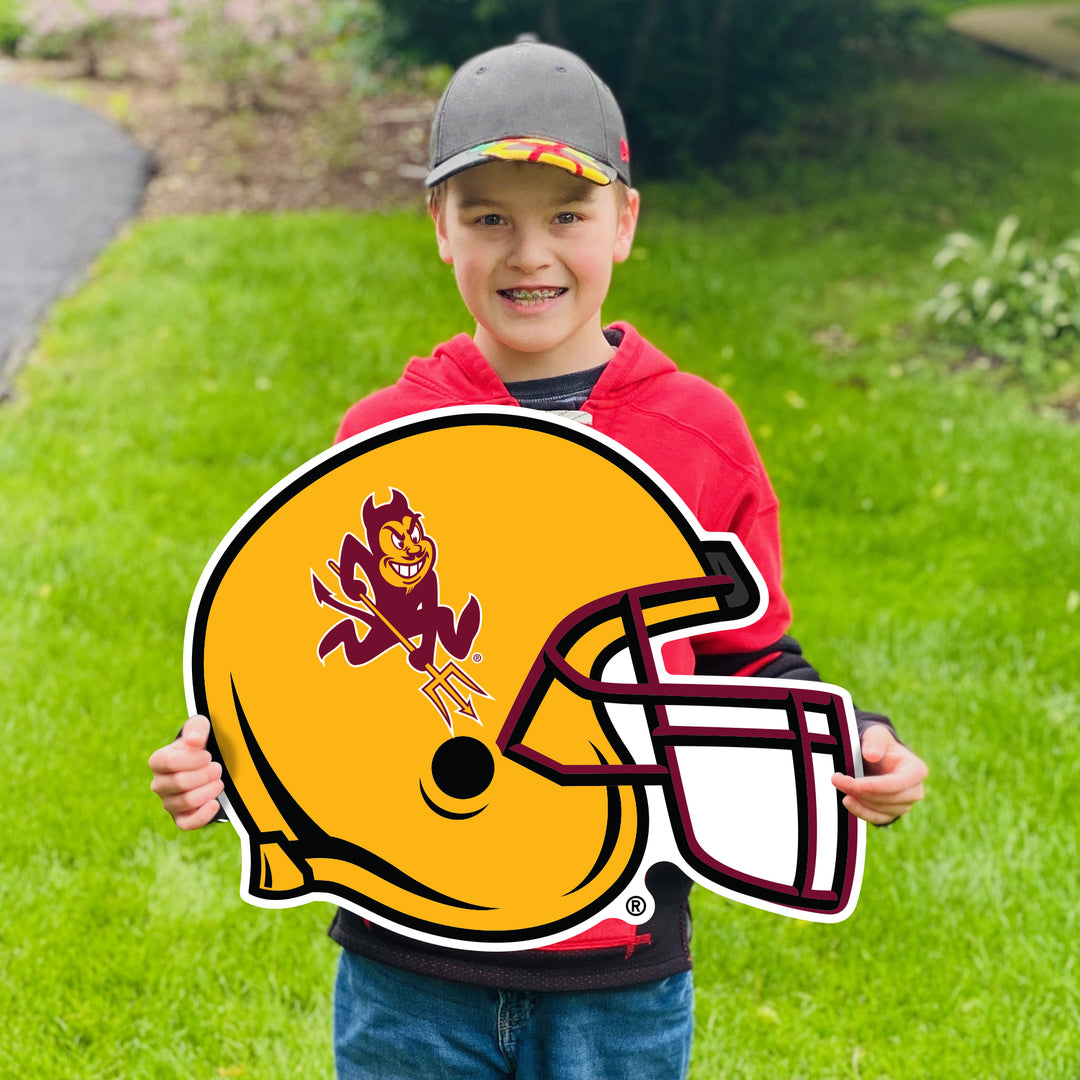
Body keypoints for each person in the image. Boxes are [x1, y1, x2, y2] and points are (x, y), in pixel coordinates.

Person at [150, 39, 928, 1080]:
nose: (530, 255)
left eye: (566, 215)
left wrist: (853, 740)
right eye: (489, 218)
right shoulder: (390, 438)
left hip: (621, 979)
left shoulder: (696, 434)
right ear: (439, 229)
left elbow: (749, 658)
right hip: (408, 972)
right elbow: (312, 669)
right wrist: (226, 766)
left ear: (625, 222)